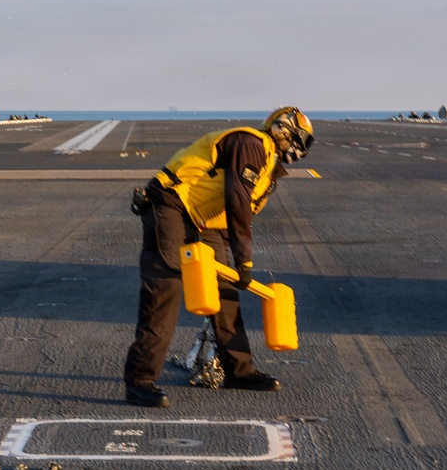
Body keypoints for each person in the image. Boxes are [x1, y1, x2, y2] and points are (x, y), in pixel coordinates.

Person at [123, 108, 314, 406]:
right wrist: (244, 260)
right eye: (299, 141)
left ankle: (238, 371)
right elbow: (236, 197)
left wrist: (231, 260)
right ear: (285, 132)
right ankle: (140, 380)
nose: (298, 149)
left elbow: (229, 212)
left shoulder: (268, 167)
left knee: (224, 287)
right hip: (171, 203)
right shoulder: (251, 144)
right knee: (166, 287)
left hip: (202, 219)